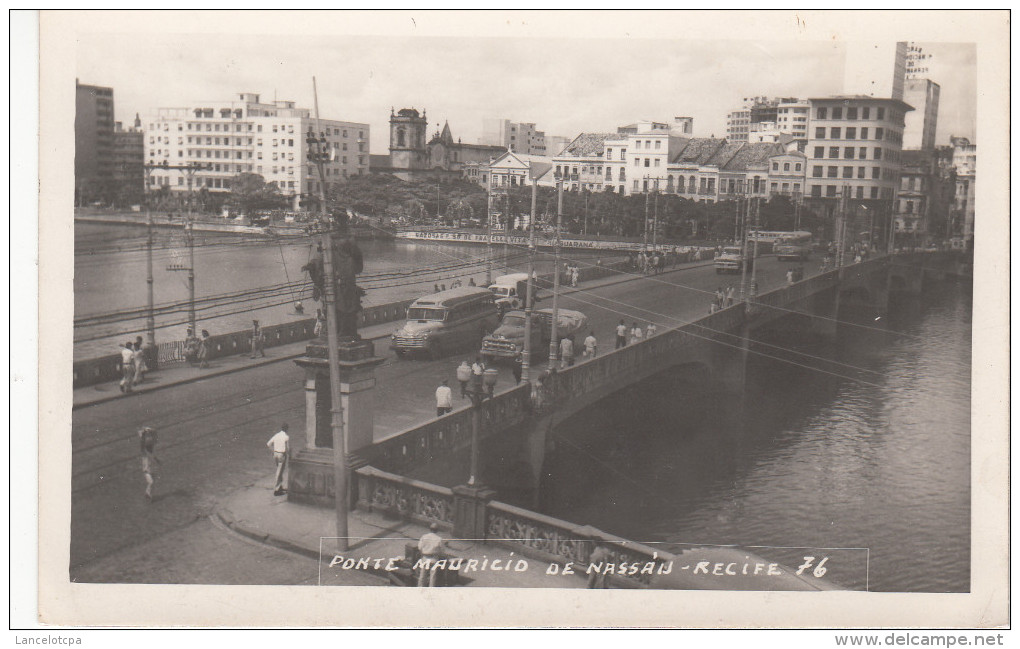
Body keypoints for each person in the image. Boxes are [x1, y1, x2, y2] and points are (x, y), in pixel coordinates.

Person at [266, 423, 290, 496]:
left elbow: (268, 444)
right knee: (279, 471)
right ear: (286, 429)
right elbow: (287, 448)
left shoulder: (276, 435)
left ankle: (280, 486)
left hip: (276, 454)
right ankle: (277, 490)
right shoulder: (286, 437)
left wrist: (273, 451)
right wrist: (289, 455)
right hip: (281, 455)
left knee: (279, 470)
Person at [139, 426, 161, 502]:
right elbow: (142, 444)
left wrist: (158, 461)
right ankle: (148, 494)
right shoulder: (145, 453)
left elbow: (154, 457)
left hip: (151, 470)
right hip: (147, 471)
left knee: (152, 483)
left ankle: (148, 494)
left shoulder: (151, 452)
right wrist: (143, 433)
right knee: (151, 482)